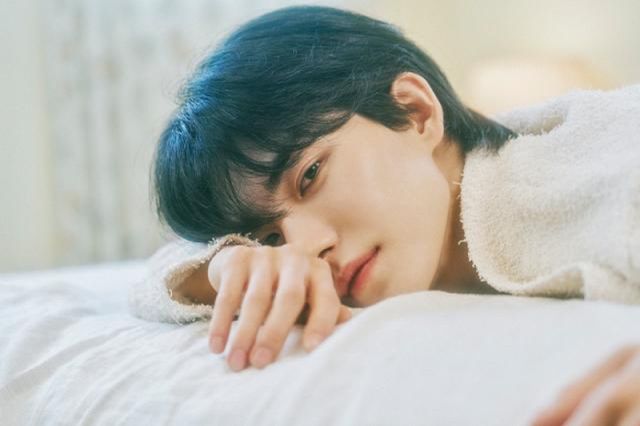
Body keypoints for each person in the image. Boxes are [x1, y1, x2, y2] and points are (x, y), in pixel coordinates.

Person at [128, 6, 640, 423]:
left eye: (310, 175)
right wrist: (227, 265)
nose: (306, 248)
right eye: (270, 236)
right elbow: (156, 276)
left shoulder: (585, 166)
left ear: (416, 113)